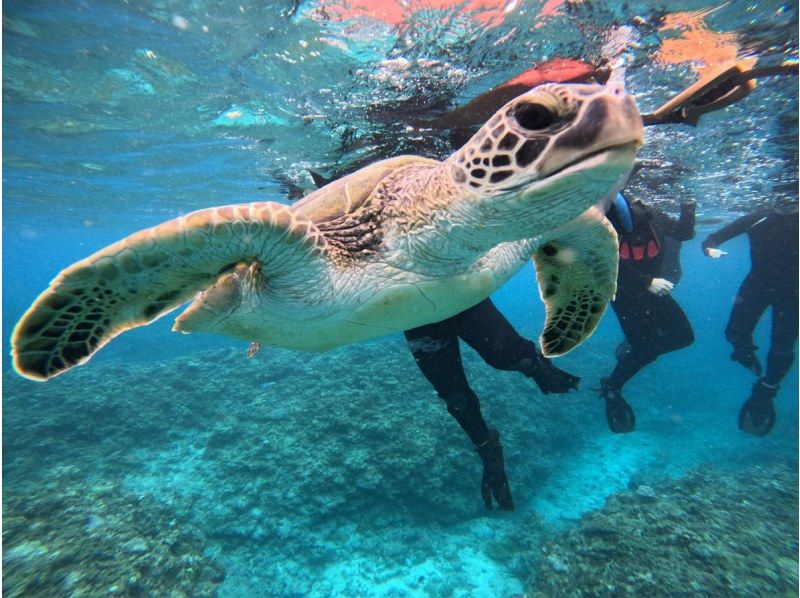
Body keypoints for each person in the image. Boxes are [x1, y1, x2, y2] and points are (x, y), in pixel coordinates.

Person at [404, 299, 580, 511]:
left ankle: (535, 365)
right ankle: (488, 453)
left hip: (461, 293)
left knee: (507, 357)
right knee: (454, 395)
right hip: (414, 314)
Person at [600, 192, 696, 433]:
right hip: (623, 295)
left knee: (684, 337)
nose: (639, 203)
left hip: (653, 291)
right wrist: (646, 281)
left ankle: (635, 349)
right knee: (647, 348)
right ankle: (612, 386)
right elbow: (606, 259)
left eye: (641, 202)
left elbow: (683, 233)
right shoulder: (610, 224)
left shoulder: (657, 218)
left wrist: (688, 205)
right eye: (632, 201)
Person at [702, 200, 799, 436]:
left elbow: (714, 237)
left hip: (787, 289)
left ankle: (766, 389)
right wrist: (710, 249)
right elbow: (713, 238)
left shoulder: (761, 215)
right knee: (736, 333)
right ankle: (756, 371)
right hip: (762, 285)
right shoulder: (758, 216)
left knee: (782, 344)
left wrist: (710, 246)